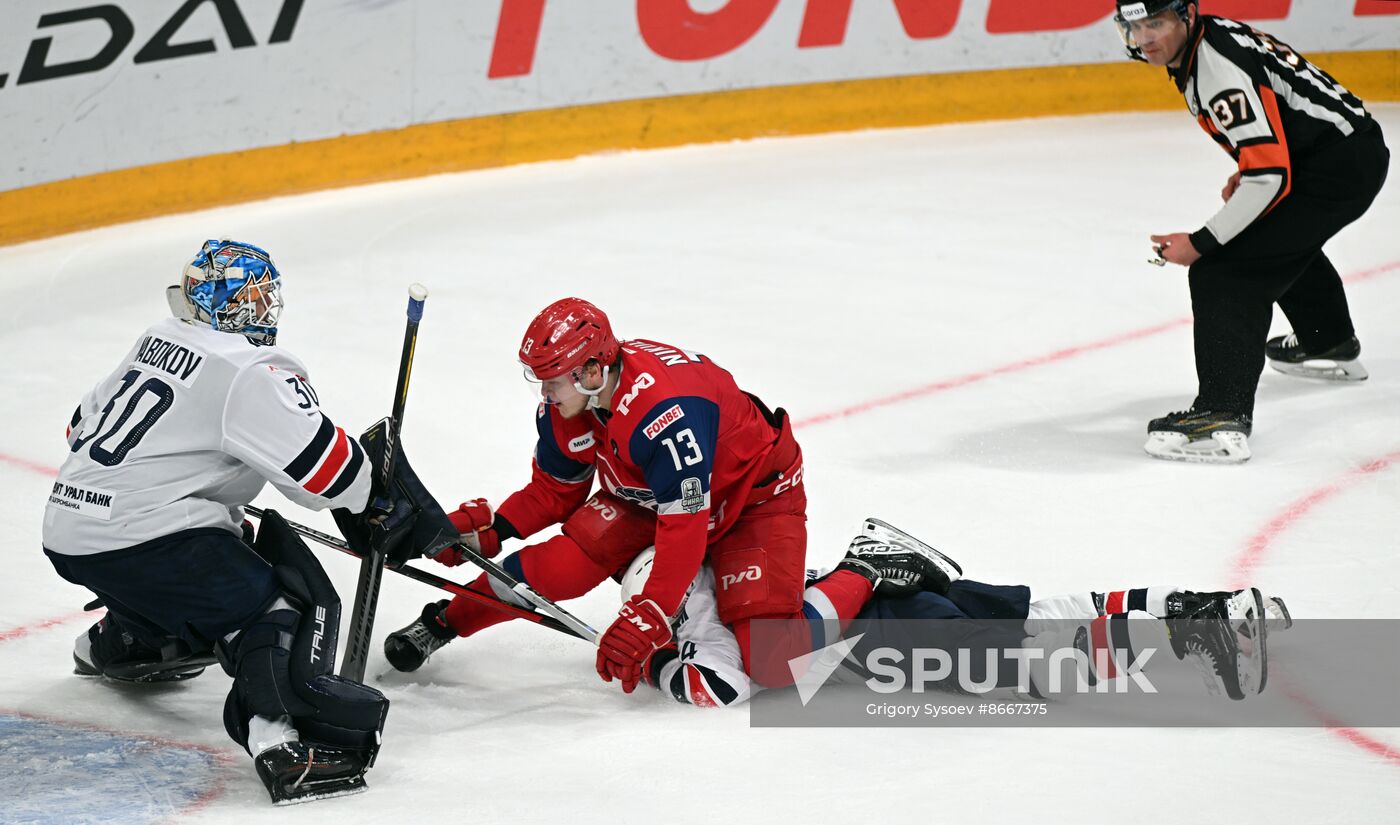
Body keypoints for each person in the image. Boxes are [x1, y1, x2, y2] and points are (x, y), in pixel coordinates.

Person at [41, 239, 456, 804]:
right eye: (258, 299)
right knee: (278, 602)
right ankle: (280, 744)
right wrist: (378, 497)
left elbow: (76, 431)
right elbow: (328, 477)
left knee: (218, 545)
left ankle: (129, 639)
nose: (264, 311)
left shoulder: (158, 339)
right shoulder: (249, 367)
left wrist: (187, 479)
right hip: (144, 538)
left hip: (68, 528)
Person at [384, 297, 883, 690]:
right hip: (647, 495)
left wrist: (650, 613)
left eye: (552, 380)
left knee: (773, 662)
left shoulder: (666, 415)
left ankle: (867, 565)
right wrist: (490, 532)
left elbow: (684, 530)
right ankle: (443, 623)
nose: (543, 393)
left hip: (753, 499)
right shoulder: (567, 409)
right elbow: (555, 491)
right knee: (557, 567)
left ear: (593, 371)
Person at [1113, 0, 1389, 464]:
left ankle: (1222, 412)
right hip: (1340, 155)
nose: (1145, 39)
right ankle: (1328, 340)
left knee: (1223, 270)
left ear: (1188, 15)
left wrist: (1201, 243)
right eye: (1135, 27)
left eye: (1156, 24)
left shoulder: (1214, 64)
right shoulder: (1209, 39)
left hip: (1336, 169)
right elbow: (1284, 113)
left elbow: (1271, 179)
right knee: (1269, 234)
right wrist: (1258, 170)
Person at [618, 519, 1290, 708]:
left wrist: (655, 664)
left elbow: (723, 684)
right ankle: (1205, 605)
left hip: (881, 635)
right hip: (891, 596)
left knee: (1042, 665)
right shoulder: (721, 572)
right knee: (1045, 613)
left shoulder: (701, 618)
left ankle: (1194, 637)